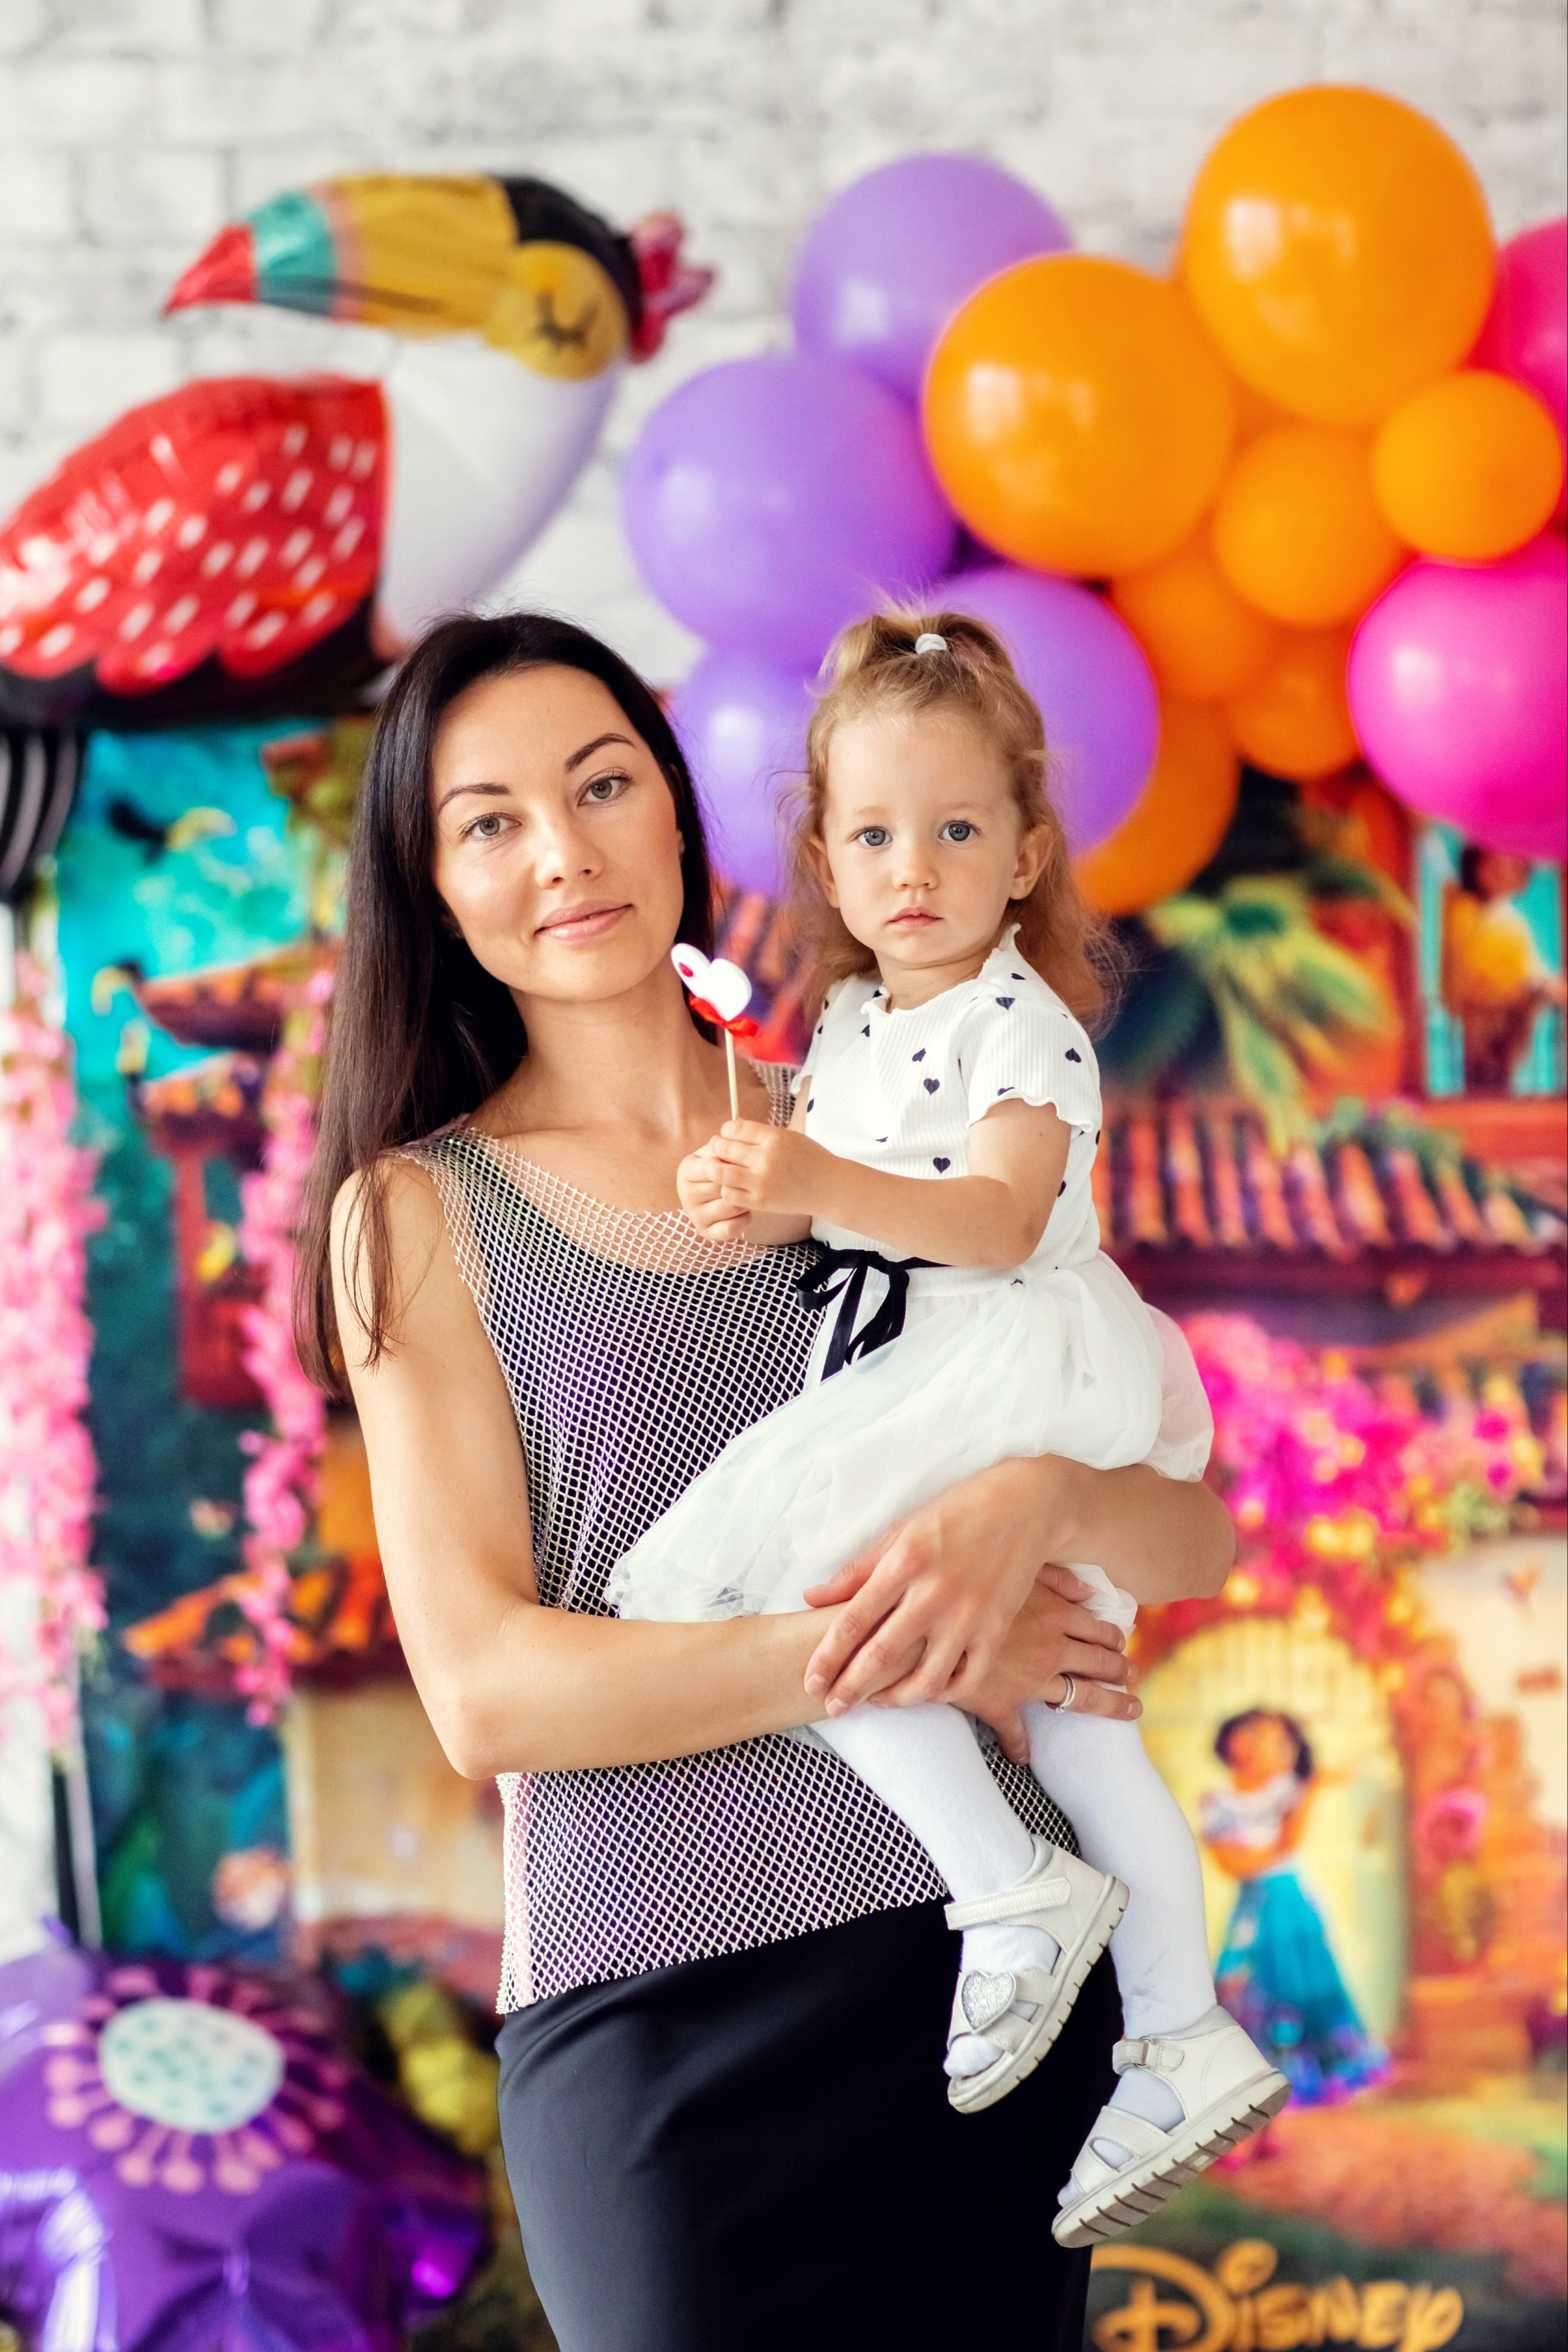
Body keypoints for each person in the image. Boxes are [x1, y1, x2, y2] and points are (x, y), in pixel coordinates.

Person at [295, 611, 1238, 2351]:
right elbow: (490, 1695)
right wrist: (926, 1630)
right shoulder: (419, 1214)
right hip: (651, 2026)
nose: (562, 853)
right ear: (433, 885)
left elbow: (1190, 1522)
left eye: (600, 787)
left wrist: (1032, 1506)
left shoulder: (889, 1139)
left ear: (682, 815)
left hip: (981, 1995)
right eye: (489, 821)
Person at [609, 611, 1288, 2247]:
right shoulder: (846, 1032)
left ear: (1027, 850)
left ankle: (1012, 1885)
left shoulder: (1022, 1024)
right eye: (873, 834)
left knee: (751, 1598)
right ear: (829, 870)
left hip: (1012, 1365)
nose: (915, 866)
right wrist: (757, 1194)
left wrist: (821, 1184)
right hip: (919, 1376)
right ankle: (1180, 2029)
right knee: (1068, 1713)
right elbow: (849, 1222)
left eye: (960, 828)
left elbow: (985, 1222)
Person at [1202, 1709, 1389, 2103]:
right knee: (1247, 1987)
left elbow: (1286, 1845)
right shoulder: (1217, 1802)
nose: (1264, 1745)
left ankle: (1315, 2077)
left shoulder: (1290, 1791)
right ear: (1230, 1739)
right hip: (1254, 1908)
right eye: (1253, 1732)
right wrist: (1282, 1830)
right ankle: (1253, 2077)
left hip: (1293, 1904)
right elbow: (1236, 1865)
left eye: (1279, 1741)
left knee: (1306, 1981)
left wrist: (1299, 1806)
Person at [1440, 843, 1565, 1093]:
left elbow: (1527, 966)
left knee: (1503, 1077)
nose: (1504, 871)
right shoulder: (1461, 907)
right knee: (1488, 1080)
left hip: (1509, 1009)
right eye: (1494, 865)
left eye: (1514, 867)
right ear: (1475, 866)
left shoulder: (1511, 920)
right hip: (1484, 1012)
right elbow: (1480, 968)